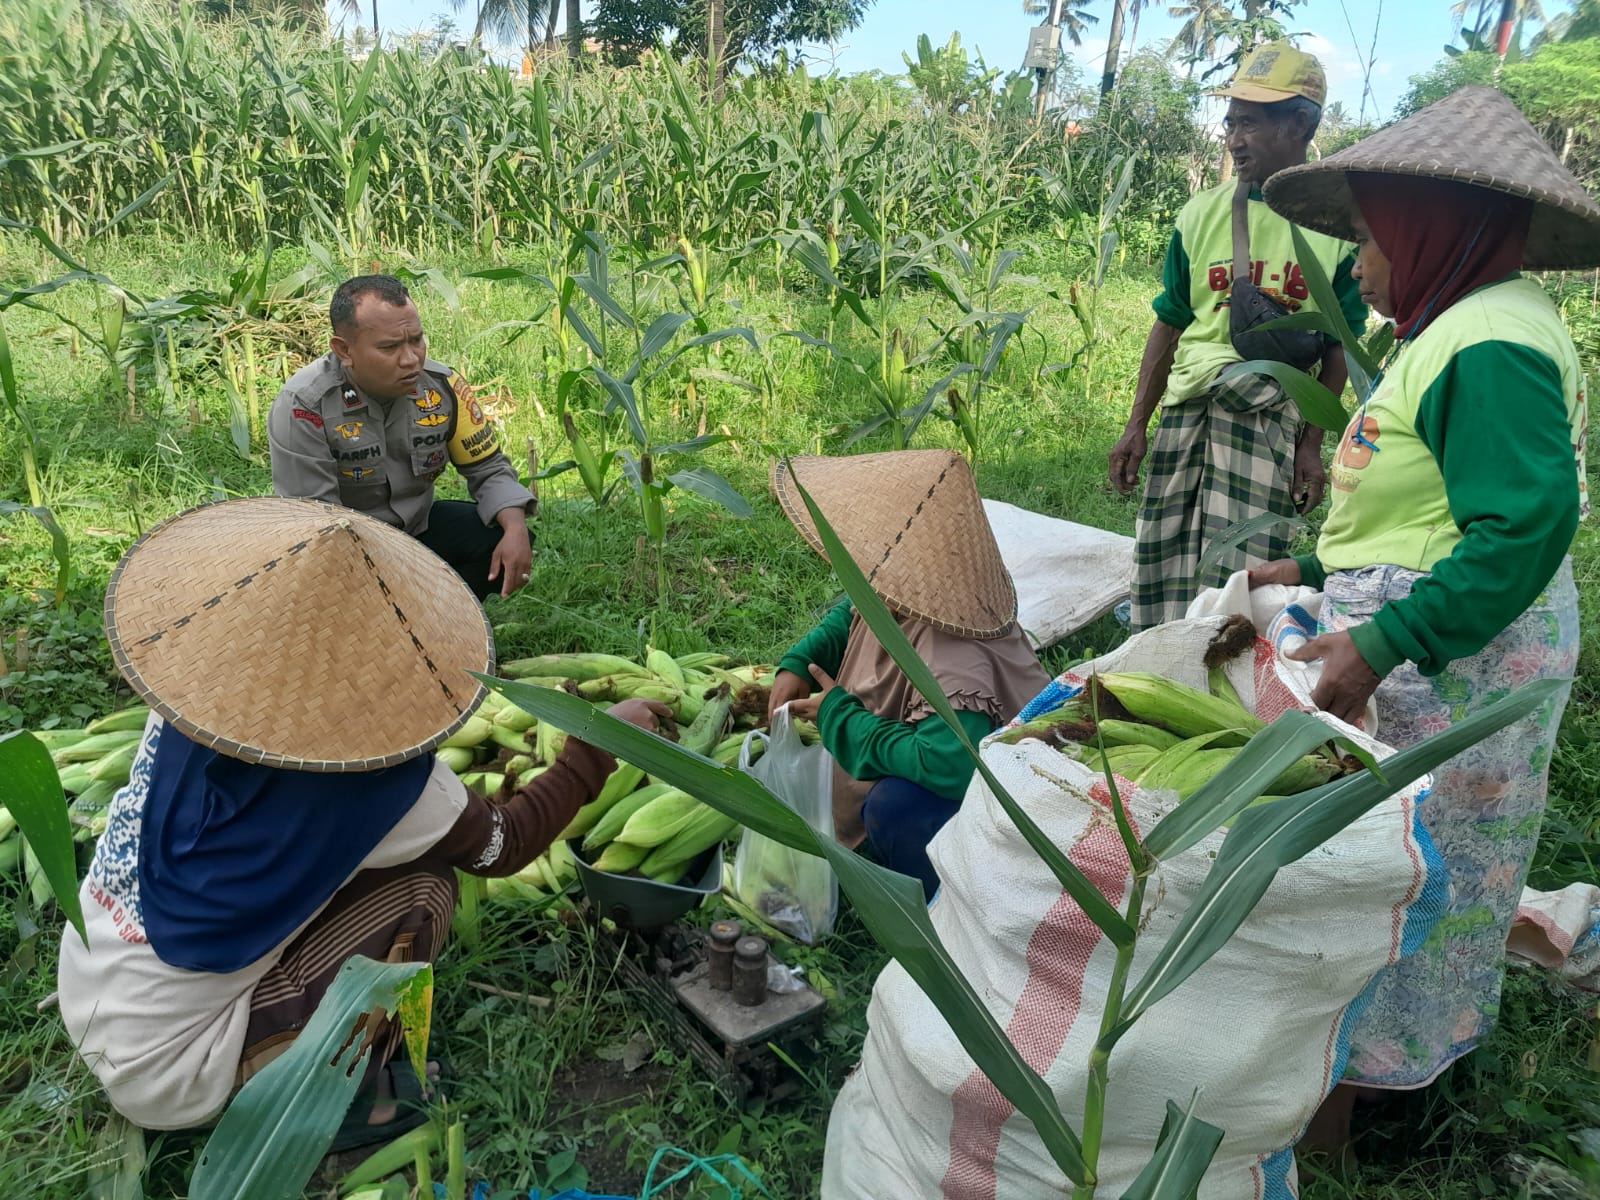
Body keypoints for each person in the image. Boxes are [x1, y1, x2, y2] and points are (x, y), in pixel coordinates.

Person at [58, 496, 668, 1148]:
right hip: (175, 1070)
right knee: (427, 887)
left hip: (96, 991)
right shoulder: (384, 782)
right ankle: (348, 1100)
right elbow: (504, 844)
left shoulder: (192, 700)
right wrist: (596, 748)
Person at [1250, 84, 1597, 1157]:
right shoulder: (1459, 327)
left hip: (1454, 664)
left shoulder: (1488, 343)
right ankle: (1354, 1094)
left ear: (1425, 225)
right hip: (1438, 646)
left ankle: (1342, 1125)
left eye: (1366, 237)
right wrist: (1310, 562)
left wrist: (1383, 641)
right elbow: (1425, 502)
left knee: (1396, 878)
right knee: (1395, 869)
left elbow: (1518, 529)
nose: (1354, 264)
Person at [1108, 42, 1367, 630]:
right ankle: (1157, 659)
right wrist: (1135, 425)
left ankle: (1232, 688)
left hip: (1266, 411)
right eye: (1230, 122)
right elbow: (1171, 320)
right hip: (1188, 407)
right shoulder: (1198, 215)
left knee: (1243, 572)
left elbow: (1339, 346)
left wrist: (1310, 447)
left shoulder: (1339, 228)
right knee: (1164, 558)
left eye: (1249, 122)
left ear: (1298, 123)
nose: (1234, 138)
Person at [766, 450, 1049, 897]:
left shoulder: (954, 653)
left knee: (894, 807)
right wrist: (802, 659)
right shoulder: (909, 595)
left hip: (1001, 799)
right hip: (954, 756)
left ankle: (949, 896)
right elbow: (854, 614)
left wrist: (840, 717)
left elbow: (952, 765)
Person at [268, 274, 536, 601]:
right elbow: (318, 522)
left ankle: (451, 622)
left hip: (416, 533)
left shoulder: (443, 388)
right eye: (390, 347)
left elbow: (489, 468)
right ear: (344, 350)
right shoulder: (305, 405)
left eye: (416, 340)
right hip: (345, 549)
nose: (410, 359)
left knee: (496, 533)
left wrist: (516, 528)